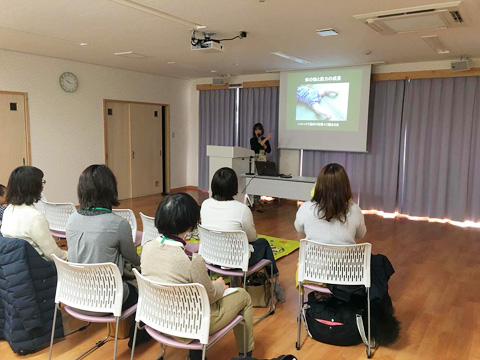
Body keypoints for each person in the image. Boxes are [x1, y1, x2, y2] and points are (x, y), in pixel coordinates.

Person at [141, 193, 254, 360]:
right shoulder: (193, 261)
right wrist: (220, 285)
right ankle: (246, 355)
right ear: (189, 225)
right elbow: (211, 296)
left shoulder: (147, 247)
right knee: (244, 296)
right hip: (189, 326)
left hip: (157, 320)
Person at [200, 167, 284, 302]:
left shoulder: (205, 204)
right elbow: (252, 238)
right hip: (236, 261)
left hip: (210, 257)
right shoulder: (241, 209)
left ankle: (235, 283)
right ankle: (275, 283)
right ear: (234, 186)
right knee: (263, 243)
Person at [66, 164, 140, 313]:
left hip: (74, 297)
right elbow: (135, 260)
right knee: (146, 290)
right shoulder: (118, 224)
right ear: (111, 189)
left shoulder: (71, 219)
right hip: (108, 301)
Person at [1, 166, 67, 261]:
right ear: (34, 187)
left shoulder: (8, 210)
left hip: (14, 268)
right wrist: (69, 255)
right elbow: (53, 255)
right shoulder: (35, 217)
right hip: (38, 270)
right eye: (41, 182)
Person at [294, 163, 366, 244]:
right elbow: (360, 234)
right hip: (344, 256)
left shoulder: (306, 208)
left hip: (312, 256)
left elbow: (299, 229)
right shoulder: (355, 210)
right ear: (345, 187)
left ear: (317, 185)